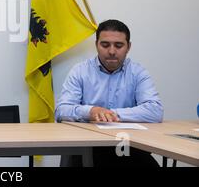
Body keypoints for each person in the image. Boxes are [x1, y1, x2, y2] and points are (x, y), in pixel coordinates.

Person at [55, 19, 163, 167]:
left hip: (127, 147)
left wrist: (111, 114)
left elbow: (155, 111)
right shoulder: (80, 71)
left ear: (128, 47)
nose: (112, 51)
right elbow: (61, 110)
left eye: (118, 45)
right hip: (88, 147)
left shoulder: (138, 72)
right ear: (96, 45)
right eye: (105, 45)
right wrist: (91, 111)